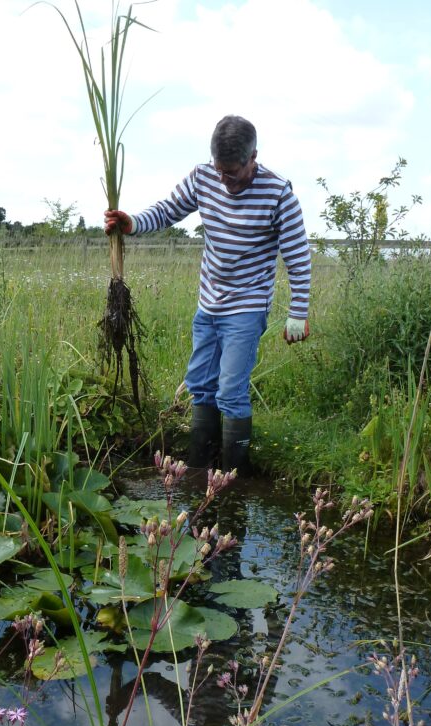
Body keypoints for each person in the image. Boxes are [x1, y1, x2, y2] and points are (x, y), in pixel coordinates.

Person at [104, 115, 311, 474]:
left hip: (247, 306)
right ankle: (200, 471)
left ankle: (234, 476)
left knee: (230, 390)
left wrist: (298, 311)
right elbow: (169, 210)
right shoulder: (204, 178)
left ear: (253, 158)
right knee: (201, 383)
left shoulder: (279, 195)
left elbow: (297, 256)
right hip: (209, 302)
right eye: (220, 171)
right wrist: (133, 223)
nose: (225, 181)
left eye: (232, 173)